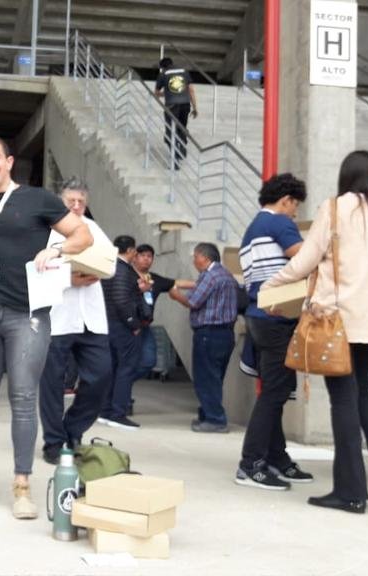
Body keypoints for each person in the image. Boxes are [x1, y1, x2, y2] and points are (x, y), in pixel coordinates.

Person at [262, 150, 368, 514]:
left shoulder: (335, 209)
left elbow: (304, 261)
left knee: (344, 401)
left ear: (346, 176)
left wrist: (269, 288)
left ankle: (350, 491)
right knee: (361, 395)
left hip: (342, 321)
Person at [0, 134, 92, 519]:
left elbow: (84, 234)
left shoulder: (39, 198)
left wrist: (57, 249)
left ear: (9, 161)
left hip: (27, 315)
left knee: (24, 400)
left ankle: (22, 485)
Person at [234, 173, 314, 490]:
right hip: (278, 318)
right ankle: (250, 463)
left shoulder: (251, 230)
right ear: (286, 201)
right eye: (295, 207)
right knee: (273, 395)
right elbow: (305, 259)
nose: (295, 213)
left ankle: (276, 457)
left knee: (275, 393)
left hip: (259, 317)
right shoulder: (280, 223)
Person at [38, 178, 114, 464]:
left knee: (101, 375)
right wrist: (68, 278)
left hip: (92, 318)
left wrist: (96, 271)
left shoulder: (94, 229)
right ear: (61, 201)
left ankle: (73, 429)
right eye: (71, 201)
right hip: (58, 317)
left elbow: (111, 263)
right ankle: (53, 442)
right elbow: (36, 269)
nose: (77, 206)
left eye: (81, 201)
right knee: (53, 383)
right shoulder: (47, 229)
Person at [100, 243, 175, 423]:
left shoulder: (149, 278)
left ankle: (113, 402)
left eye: (150, 256)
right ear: (132, 254)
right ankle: (118, 409)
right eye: (142, 255)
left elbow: (174, 285)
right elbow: (121, 300)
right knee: (124, 368)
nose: (146, 259)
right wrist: (133, 324)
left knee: (137, 364)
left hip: (137, 325)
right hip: (127, 326)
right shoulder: (125, 273)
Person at [169, 242, 238, 433]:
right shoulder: (225, 274)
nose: (193, 260)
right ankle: (207, 414)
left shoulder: (210, 276)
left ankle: (215, 420)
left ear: (205, 258)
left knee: (206, 378)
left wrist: (175, 295)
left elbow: (192, 301)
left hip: (209, 333)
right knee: (215, 377)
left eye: (195, 257)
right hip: (225, 334)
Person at [154, 57, 198, 169]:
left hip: (171, 106)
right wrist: (195, 107)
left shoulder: (163, 74)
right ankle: (182, 144)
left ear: (162, 67)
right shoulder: (184, 71)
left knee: (170, 132)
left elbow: (157, 93)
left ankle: (175, 160)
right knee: (182, 128)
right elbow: (191, 90)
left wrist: (166, 93)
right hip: (185, 104)